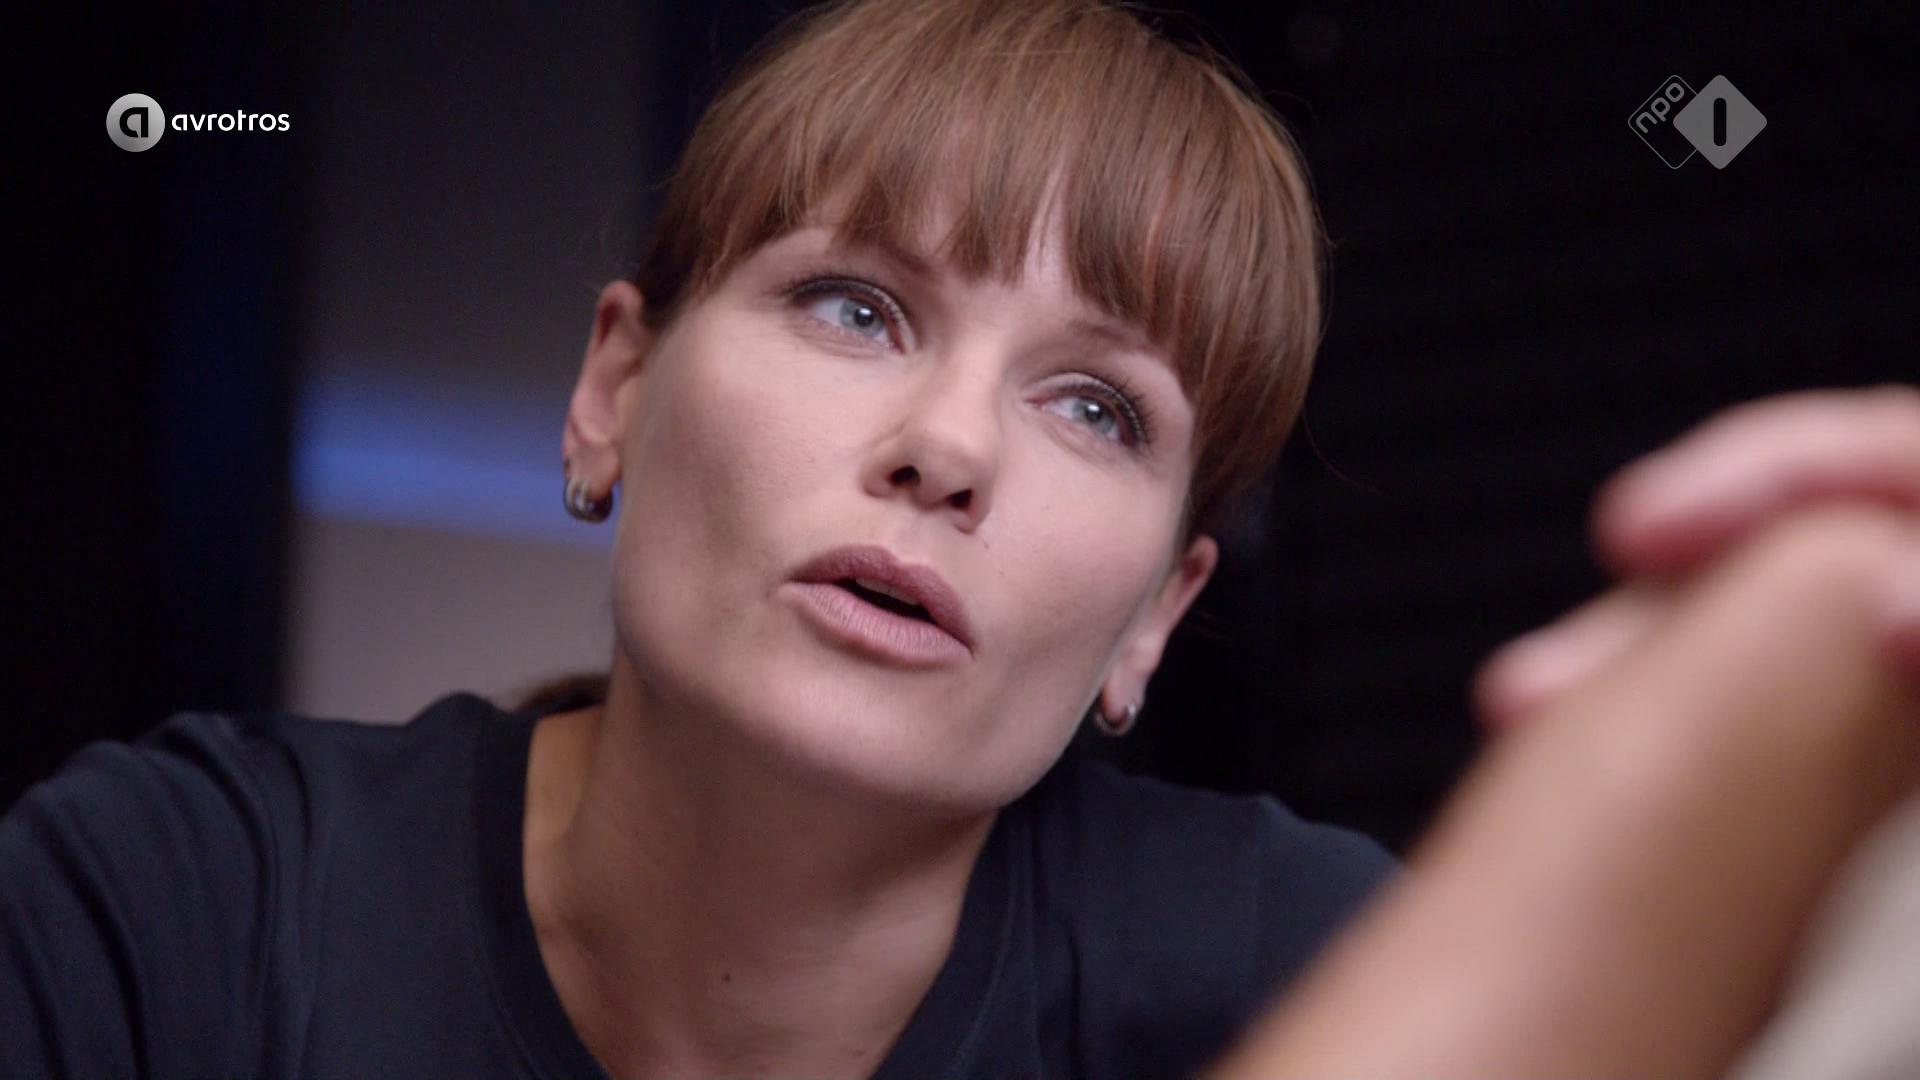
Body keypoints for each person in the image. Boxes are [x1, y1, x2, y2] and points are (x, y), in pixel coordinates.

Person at [3, 0, 1916, 1077]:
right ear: (614, 391)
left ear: (1158, 616)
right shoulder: (176, 908)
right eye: (856, 307)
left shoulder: (1285, 961)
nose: (946, 450)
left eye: (1098, 408)